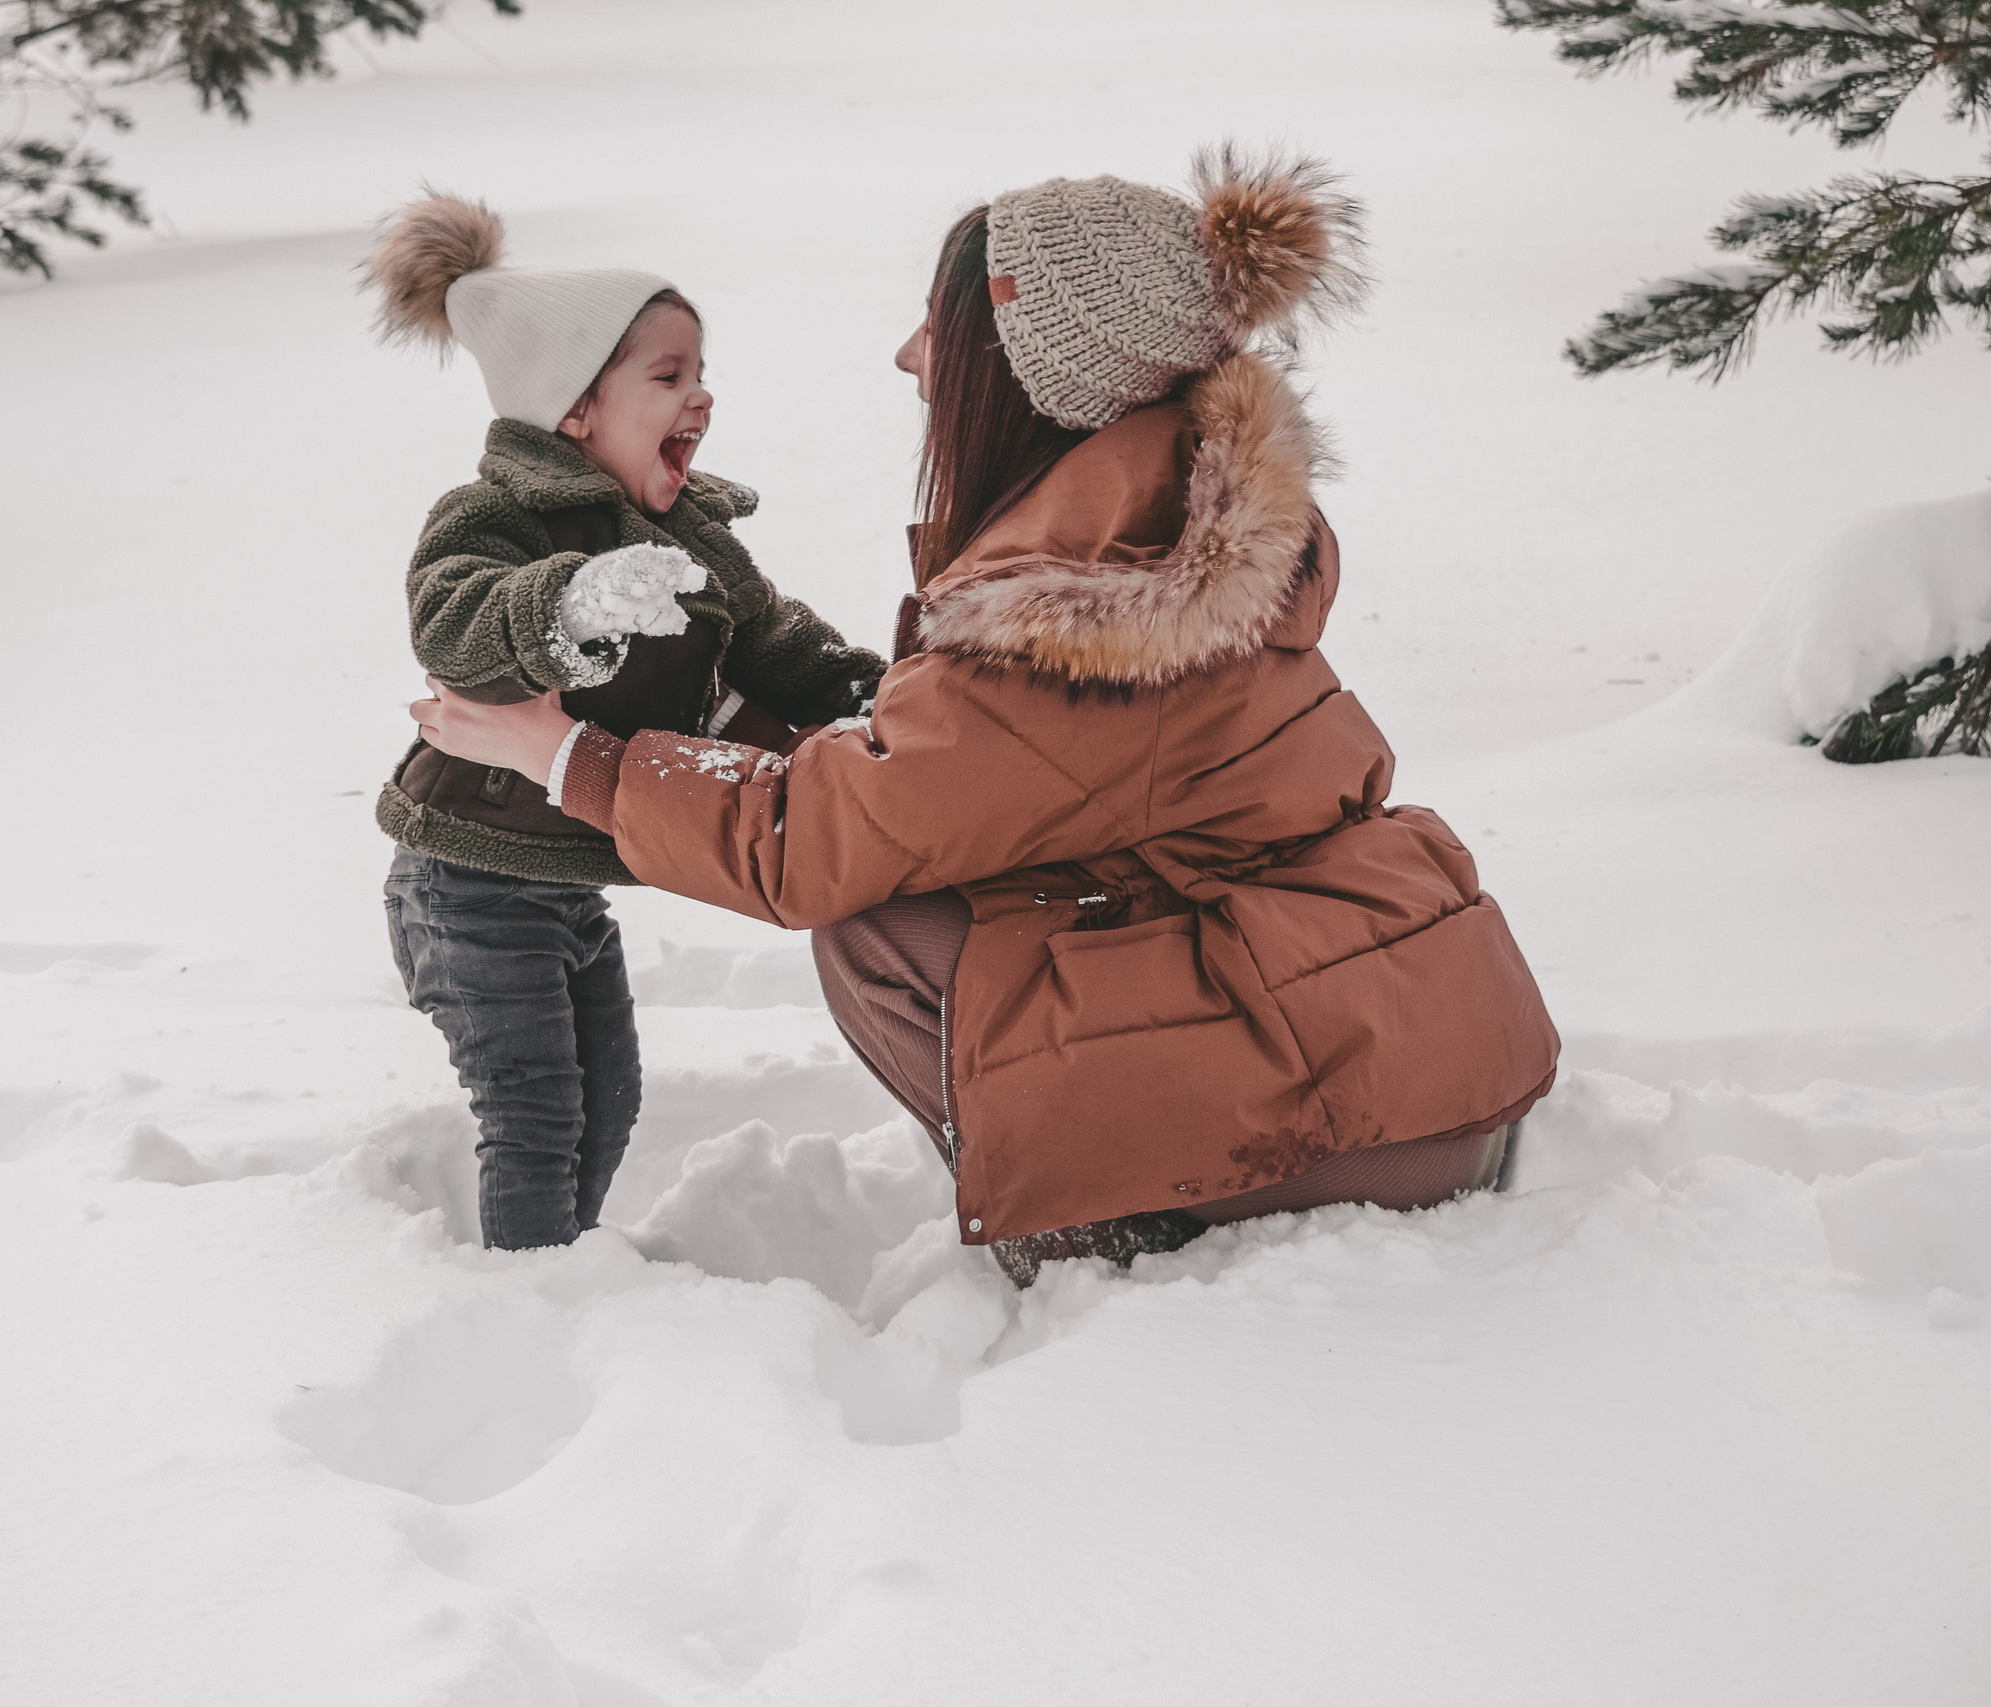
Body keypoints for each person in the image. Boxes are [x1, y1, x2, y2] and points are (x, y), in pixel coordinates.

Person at [406, 153, 1561, 1285]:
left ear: (1030, 370)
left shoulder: (1085, 605)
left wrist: (567, 755)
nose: (910, 356)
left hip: (1360, 1119)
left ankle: (1105, 1243)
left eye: (940, 333)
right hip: (1405, 1041)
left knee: (872, 913)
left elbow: (810, 846)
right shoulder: (1181, 514)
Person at [367, 193, 885, 1252]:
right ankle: (524, 1292)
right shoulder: (496, 517)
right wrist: (572, 605)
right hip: (466, 886)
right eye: (666, 376)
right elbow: (453, 623)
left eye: (699, 373)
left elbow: (772, 643)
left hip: (564, 885)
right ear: (571, 410)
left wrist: (874, 699)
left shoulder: (687, 537)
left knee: (611, 1099)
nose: (699, 396)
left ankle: (562, 1262)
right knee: (534, 1113)